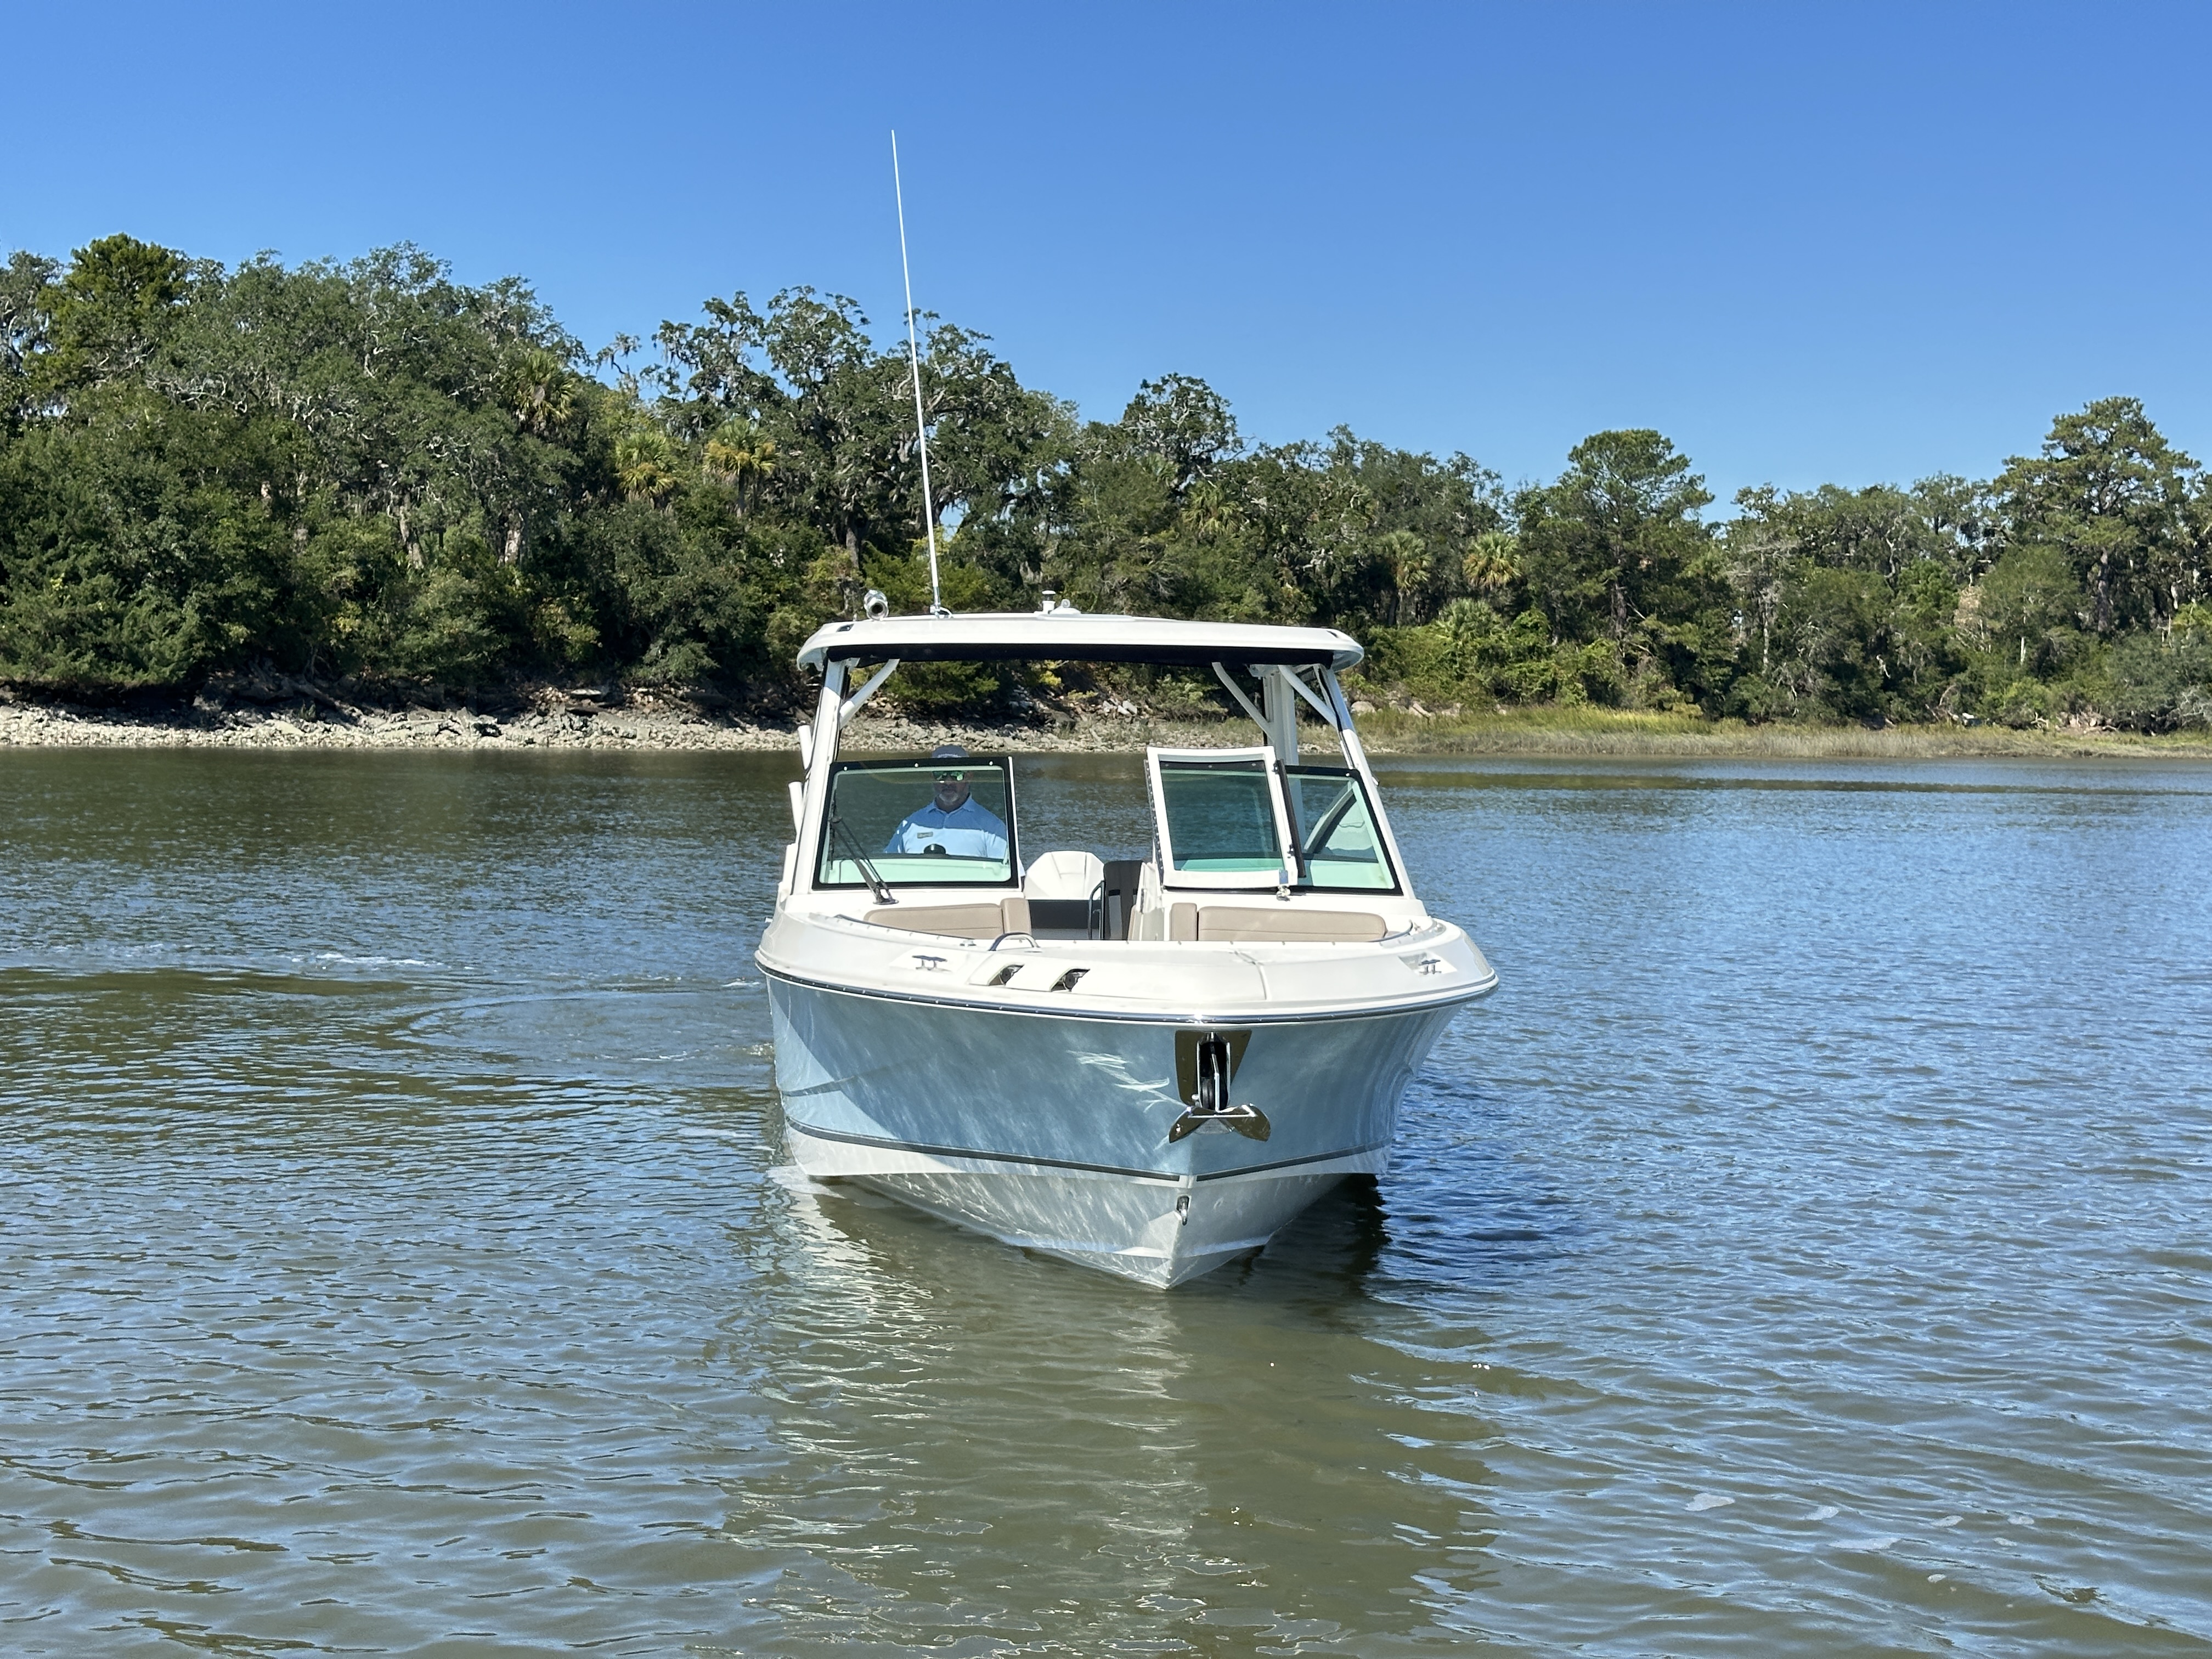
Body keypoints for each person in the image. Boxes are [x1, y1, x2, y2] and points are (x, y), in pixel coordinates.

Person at [884, 744, 1010, 860]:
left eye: (956, 774)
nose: (948, 782)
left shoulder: (992, 827)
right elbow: (887, 869)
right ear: (931, 777)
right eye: (941, 774)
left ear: (969, 776)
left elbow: (1012, 878)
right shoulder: (910, 825)